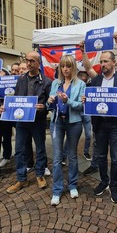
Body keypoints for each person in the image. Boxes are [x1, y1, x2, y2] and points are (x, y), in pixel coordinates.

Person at [83, 50, 117, 204]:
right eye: (101, 62)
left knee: (116, 159)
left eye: (105, 61)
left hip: (116, 125)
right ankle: (104, 181)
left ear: (113, 62)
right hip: (100, 125)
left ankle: (114, 185)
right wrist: (86, 99)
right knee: (101, 156)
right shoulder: (96, 80)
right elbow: (87, 68)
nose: (102, 64)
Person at [6, 51, 52, 193]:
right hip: (21, 121)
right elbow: (16, 99)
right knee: (19, 150)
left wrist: (44, 107)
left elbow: (51, 103)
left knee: (40, 148)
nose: (29, 63)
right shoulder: (20, 80)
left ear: (39, 63)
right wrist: (7, 107)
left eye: (32, 61)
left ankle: (39, 175)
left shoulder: (46, 81)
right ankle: (21, 179)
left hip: (38, 121)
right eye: (27, 60)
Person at [47, 55, 86, 206]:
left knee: (72, 155)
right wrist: (50, 101)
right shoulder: (56, 83)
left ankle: (72, 185)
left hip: (74, 123)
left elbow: (82, 106)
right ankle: (57, 190)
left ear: (73, 67)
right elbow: (51, 102)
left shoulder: (80, 84)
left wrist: (67, 100)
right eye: (63, 66)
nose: (65, 69)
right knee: (57, 158)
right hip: (57, 122)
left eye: (68, 66)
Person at [0, 64, 18, 168]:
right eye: (12, 70)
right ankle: (6, 156)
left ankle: (21, 155)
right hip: (5, 113)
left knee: (20, 135)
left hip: (17, 113)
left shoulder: (20, 81)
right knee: (6, 137)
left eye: (16, 70)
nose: (14, 72)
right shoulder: (3, 83)